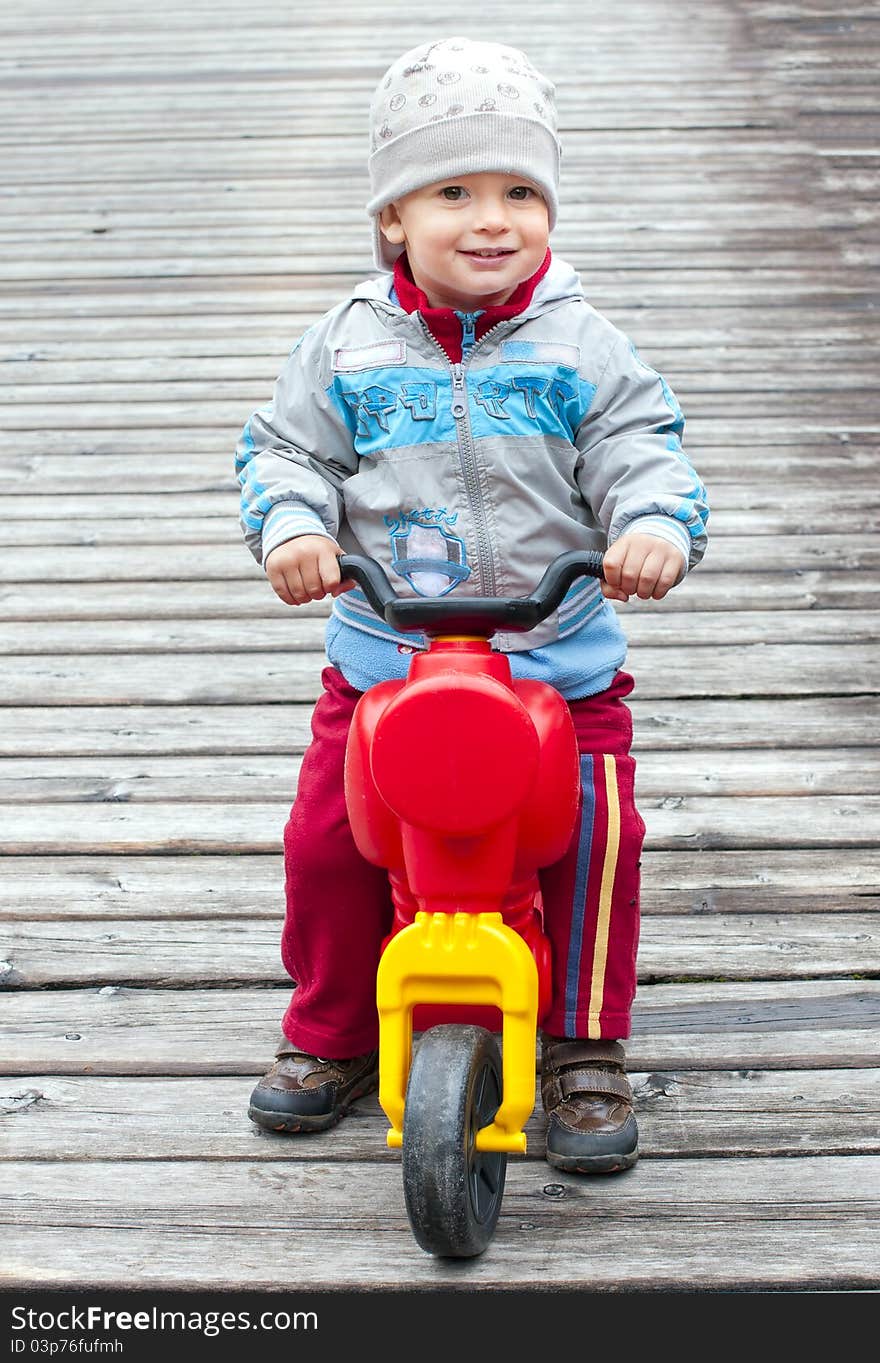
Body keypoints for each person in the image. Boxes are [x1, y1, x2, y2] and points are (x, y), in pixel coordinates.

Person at [236, 36, 709, 1174]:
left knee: (595, 841)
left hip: (554, 655)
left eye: (520, 192)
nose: (492, 219)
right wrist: (296, 528)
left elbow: (639, 446)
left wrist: (650, 525)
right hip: (386, 651)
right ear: (394, 216)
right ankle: (336, 1031)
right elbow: (283, 449)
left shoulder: (582, 345)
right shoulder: (346, 345)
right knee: (331, 842)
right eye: (454, 191)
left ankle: (583, 1042)